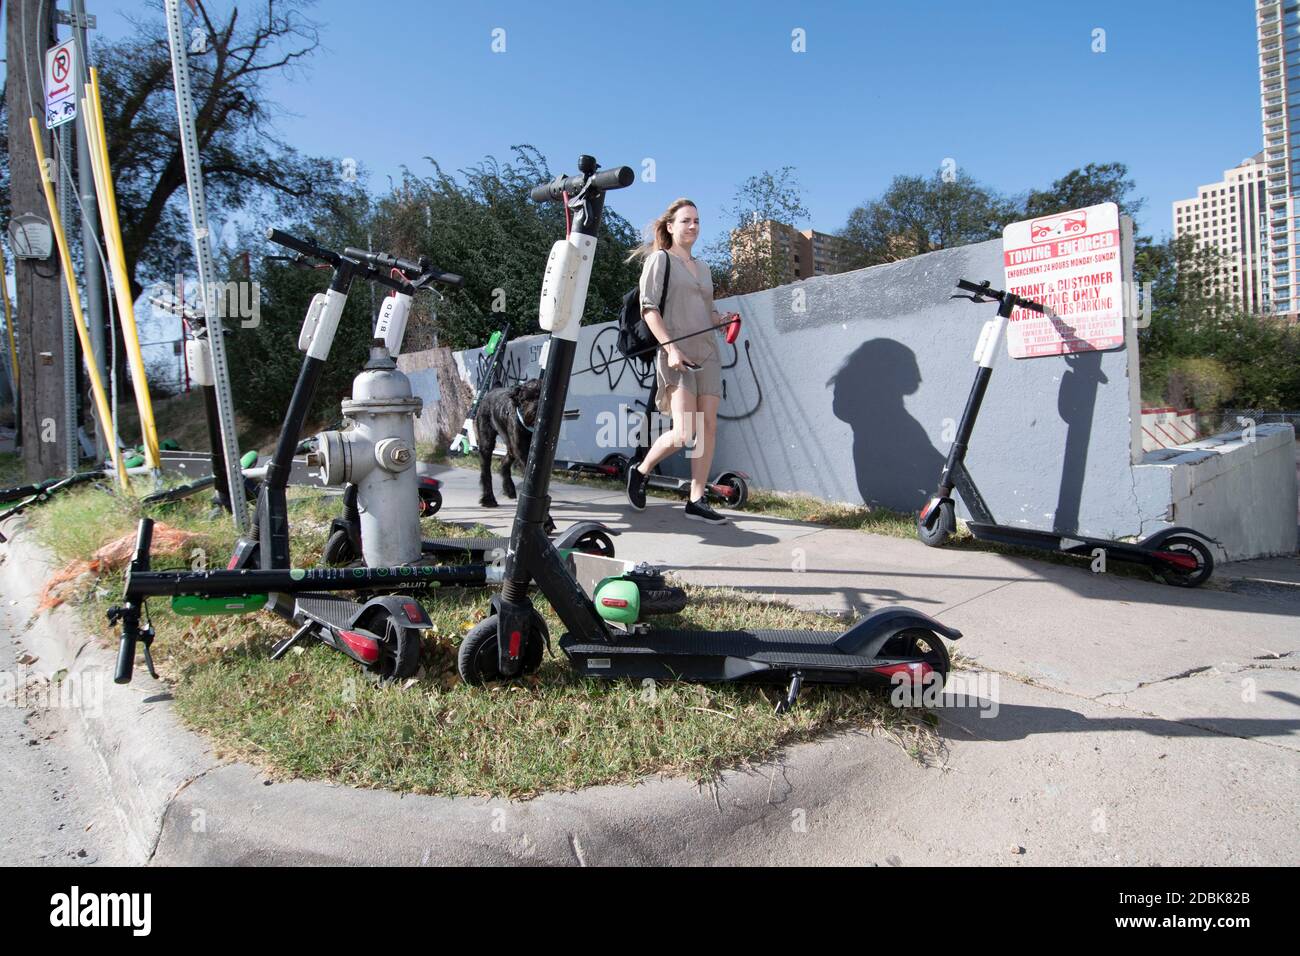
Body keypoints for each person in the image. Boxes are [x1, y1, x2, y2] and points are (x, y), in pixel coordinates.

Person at [624, 198, 735, 524]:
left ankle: (697, 499)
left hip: (708, 351)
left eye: (697, 221)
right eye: (686, 220)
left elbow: (708, 312)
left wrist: (722, 319)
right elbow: (649, 309)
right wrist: (670, 349)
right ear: (670, 226)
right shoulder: (661, 260)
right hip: (676, 352)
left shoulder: (704, 268)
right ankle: (641, 470)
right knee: (685, 431)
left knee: (709, 426)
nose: (693, 226)